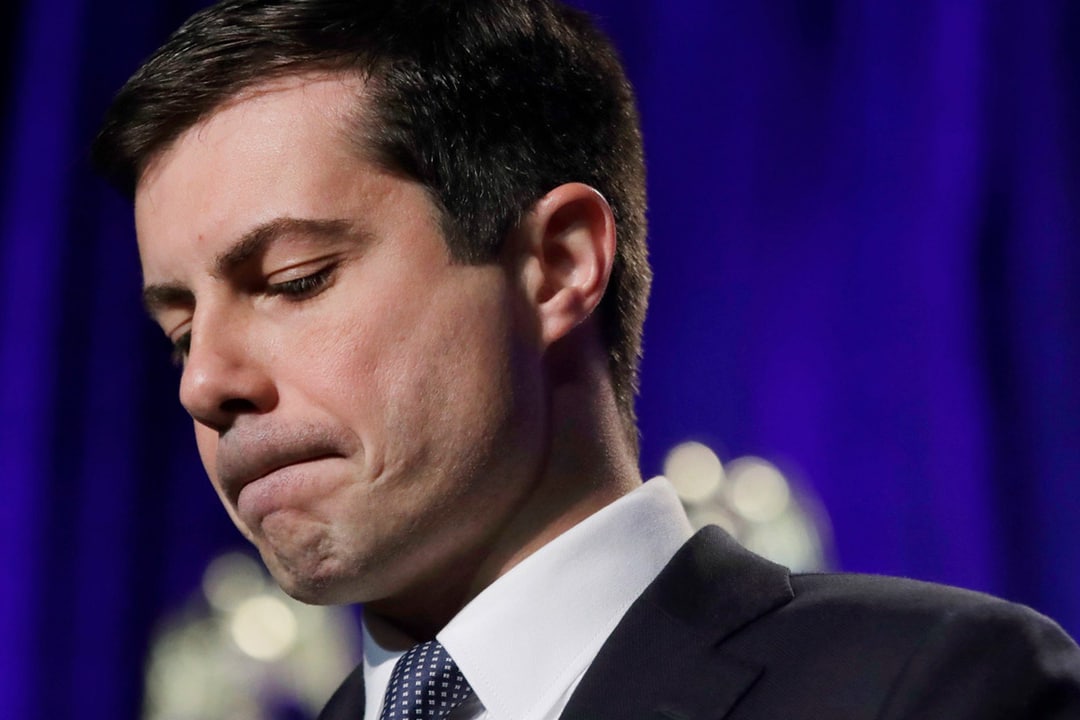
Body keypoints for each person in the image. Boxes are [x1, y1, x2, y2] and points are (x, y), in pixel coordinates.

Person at [93, 1, 1080, 718]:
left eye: (297, 277)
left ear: (559, 263)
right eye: (179, 330)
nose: (203, 382)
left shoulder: (934, 692)